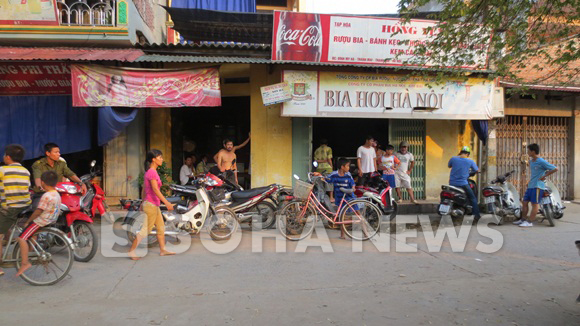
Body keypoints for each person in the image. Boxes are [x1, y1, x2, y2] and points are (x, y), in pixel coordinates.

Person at [128, 149, 176, 260]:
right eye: (160, 157)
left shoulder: (150, 172)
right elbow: (154, 189)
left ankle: (163, 250)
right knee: (146, 230)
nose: (162, 159)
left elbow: (144, 189)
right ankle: (131, 251)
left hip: (152, 204)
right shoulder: (152, 172)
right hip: (151, 205)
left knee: (160, 227)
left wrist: (142, 202)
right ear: (153, 159)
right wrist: (167, 203)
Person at [15, 171, 61, 277]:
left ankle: (25, 263)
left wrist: (28, 221)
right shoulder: (56, 194)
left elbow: (38, 211)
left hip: (41, 221)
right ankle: (30, 252)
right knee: (32, 234)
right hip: (51, 220)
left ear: (43, 183)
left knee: (21, 238)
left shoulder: (46, 195)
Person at [0, 144, 32, 277]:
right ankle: (7, 238)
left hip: (11, 207)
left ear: (8, 157)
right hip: (25, 206)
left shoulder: (2, 170)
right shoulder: (26, 171)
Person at [514, 144, 558, 228]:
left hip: (538, 186)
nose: (527, 152)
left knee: (535, 204)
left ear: (533, 151)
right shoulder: (531, 162)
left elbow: (555, 168)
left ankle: (530, 222)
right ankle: (523, 219)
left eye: (528, 151)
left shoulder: (541, 161)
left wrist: (544, 176)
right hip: (531, 185)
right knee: (525, 202)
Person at [313, 157, 355, 239]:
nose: (348, 168)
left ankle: (366, 233)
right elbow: (326, 179)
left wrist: (352, 188)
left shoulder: (348, 175)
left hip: (350, 197)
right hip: (339, 198)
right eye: (347, 166)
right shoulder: (334, 174)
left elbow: (353, 183)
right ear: (342, 167)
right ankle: (342, 235)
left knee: (358, 214)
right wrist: (319, 175)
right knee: (341, 216)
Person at [448, 146, 481, 222]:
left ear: (460, 152)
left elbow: (449, 166)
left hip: (452, 183)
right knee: (473, 198)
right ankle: (476, 215)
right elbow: (477, 170)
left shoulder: (453, 159)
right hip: (463, 183)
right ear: (468, 154)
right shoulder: (470, 161)